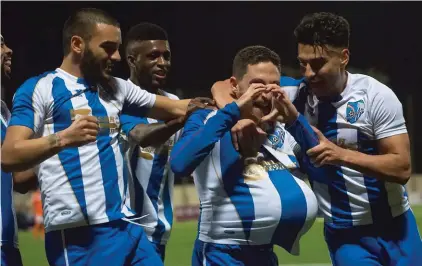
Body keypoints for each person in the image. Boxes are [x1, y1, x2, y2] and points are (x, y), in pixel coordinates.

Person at [1, 8, 211, 266]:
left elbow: (180, 107)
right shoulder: (39, 89)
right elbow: (8, 155)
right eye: (108, 48)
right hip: (78, 234)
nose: (117, 56)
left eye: (118, 48)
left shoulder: (116, 88)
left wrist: (231, 103)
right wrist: (63, 138)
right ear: (77, 44)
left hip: (126, 227)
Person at [212, 12, 422, 266]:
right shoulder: (294, 93)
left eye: (319, 63)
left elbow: (401, 168)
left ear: (344, 57)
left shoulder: (375, 96)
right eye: (303, 64)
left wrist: (340, 154)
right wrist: (235, 115)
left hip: (397, 227)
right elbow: (223, 85)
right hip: (346, 235)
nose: (309, 73)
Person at [170, 45, 319, 266]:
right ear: (234, 85)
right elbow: (179, 163)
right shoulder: (208, 117)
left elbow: (321, 167)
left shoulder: (280, 127)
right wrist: (233, 113)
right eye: (257, 85)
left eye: (274, 85)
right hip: (222, 254)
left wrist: (295, 119)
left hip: (264, 255)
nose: (266, 93)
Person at [119, 22, 187, 261]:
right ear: (132, 60)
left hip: (157, 230)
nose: (163, 62)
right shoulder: (118, 99)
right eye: (153, 56)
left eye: (166, 56)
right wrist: (179, 120)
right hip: (123, 228)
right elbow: (139, 135)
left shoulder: (174, 102)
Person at [1, 33, 38, 266]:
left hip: (7, 243)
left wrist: (69, 151)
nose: (9, 50)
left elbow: (20, 180)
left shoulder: (5, 115)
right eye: (0, 44)